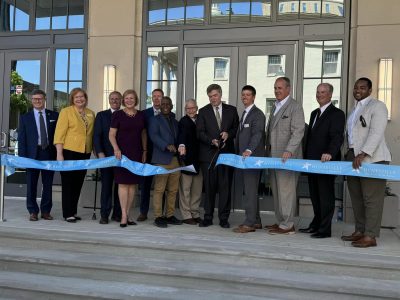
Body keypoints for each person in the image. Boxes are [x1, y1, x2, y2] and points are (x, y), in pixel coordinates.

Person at [341, 77, 391, 248]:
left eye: (362, 88)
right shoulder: (354, 110)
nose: (358, 90)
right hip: (353, 158)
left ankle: (370, 236)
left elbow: (376, 133)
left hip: (372, 159)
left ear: (370, 90)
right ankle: (360, 231)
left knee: (371, 198)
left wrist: (363, 154)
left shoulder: (378, 106)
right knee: (357, 197)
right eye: (356, 87)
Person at [301, 83, 345, 238]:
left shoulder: (337, 114)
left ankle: (325, 229)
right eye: (318, 92)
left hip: (327, 162)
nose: (319, 95)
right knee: (315, 195)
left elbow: (337, 136)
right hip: (312, 162)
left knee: (325, 196)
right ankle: (316, 224)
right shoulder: (314, 113)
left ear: (330, 95)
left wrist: (330, 153)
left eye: (323, 92)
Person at [266, 77, 305, 235]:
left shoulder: (295, 107)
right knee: (277, 191)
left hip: (287, 157)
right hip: (273, 157)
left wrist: (289, 150)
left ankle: (288, 224)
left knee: (286, 192)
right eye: (275, 88)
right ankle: (281, 221)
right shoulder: (274, 106)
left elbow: (298, 131)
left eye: (280, 88)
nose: (277, 91)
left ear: (288, 89)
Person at [197, 84, 239, 228]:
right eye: (210, 96)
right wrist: (211, 141)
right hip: (208, 156)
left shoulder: (232, 110)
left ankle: (223, 218)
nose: (212, 99)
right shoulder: (203, 111)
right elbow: (200, 132)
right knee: (209, 188)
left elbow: (236, 128)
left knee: (225, 187)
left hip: (227, 155)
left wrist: (229, 134)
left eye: (215, 95)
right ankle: (207, 217)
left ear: (220, 94)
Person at [54, 88, 95, 223]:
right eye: (76, 97)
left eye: (82, 97)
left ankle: (73, 211)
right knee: (68, 183)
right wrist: (59, 154)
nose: (79, 99)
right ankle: (67, 213)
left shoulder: (90, 113)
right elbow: (59, 134)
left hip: (85, 152)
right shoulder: (66, 112)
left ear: (85, 98)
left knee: (78, 183)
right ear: (72, 99)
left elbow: (91, 134)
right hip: (69, 151)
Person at [18, 89, 58, 221]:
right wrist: (23, 158)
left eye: (40, 98)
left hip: (48, 153)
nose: (37, 101)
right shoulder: (25, 118)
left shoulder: (54, 115)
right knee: (31, 184)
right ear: (32, 100)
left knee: (47, 184)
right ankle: (33, 211)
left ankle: (46, 211)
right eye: (34, 99)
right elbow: (22, 139)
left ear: (44, 99)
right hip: (31, 155)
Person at [109, 89, 146, 228]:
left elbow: (143, 133)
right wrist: (116, 149)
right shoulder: (118, 114)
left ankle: (128, 213)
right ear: (123, 100)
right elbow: (111, 135)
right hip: (121, 154)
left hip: (136, 153)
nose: (129, 100)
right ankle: (123, 214)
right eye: (126, 98)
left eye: (132, 98)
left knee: (132, 185)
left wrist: (144, 150)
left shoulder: (141, 115)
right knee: (123, 184)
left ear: (135, 100)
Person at [232, 85, 266, 233]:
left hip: (252, 158)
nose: (244, 97)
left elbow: (257, 134)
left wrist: (248, 150)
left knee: (250, 191)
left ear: (253, 97)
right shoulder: (245, 113)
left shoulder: (257, 114)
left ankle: (249, 222)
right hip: (245, 159)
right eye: (243, 95)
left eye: (248, 95)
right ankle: (256, 221)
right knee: (251, 190)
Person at [149, 96, 183, 228]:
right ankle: (158, 216)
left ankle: (169, 215)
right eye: (162, 104)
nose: (165, 105)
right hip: (161, 159)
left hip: (175, 160)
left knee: (173, 190)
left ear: (171, 105)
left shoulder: (175, 121)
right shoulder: (154, 120)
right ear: (159, 105)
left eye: (167, 104)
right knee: (159, 190)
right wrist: (166, 145)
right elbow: (153, 136)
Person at [93, 91, 123, 224]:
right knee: (106, 186)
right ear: (109, 100)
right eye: (112, 99)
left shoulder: (124, 115)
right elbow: (96, 136)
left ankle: (117, 214)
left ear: (121, 100)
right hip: (105, 157)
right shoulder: (101, 115)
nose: (115, 101)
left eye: (117, 99)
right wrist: (99, 153)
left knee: (120, 186)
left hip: (121, 158)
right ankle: (104, 214)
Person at [138, 88, 163, 222]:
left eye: (159, 96)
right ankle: (143, 212)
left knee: (161, 185)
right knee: (145, 185)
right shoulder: (144, 114)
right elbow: (141, 133)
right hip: (147, 154)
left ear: (163, 98)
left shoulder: (169, 114)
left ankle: (161, 213)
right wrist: (143, 151)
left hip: (162, 155)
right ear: (151, 98)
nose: (157, 98)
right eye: (154, 96)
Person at [177, 99, 203, 225]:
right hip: (187, 160)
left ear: (196, 108)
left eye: (192, 108)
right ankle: (186, 215)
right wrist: (181, 145)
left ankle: (195, 213)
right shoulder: (183, 121)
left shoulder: (201, 119)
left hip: (200, 160)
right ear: (185, 109)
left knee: (197, 190)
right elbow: (180, 135)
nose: (190, 110)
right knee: (185, 189)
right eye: (188, 108)